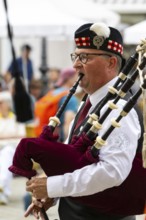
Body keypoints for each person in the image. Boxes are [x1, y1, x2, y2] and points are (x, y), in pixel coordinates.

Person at [21, 22, 142, 220]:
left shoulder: (120, 108)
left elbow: (112, 171)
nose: (76, 64)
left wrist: (53, 186)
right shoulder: (87, 102)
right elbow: (75, 162)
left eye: (85, 57)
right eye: (75, 56)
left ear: (111, 63)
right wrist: (55, 194)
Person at [34, 67, 79, 142]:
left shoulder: (52, 93)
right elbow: (67, 123)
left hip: (45, 135)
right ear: (69, 78)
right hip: (58, 138)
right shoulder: (70, 97)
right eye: (76, 76)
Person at [0, 91, 26, 204]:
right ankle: (3, 193)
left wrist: (4, 137)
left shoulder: (17, 119)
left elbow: (22, 136)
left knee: (7, 153)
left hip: (12, 149)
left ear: (7, 104)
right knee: (5, 158)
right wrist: (12, 136)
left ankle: (1, 185)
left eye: (1, 102)